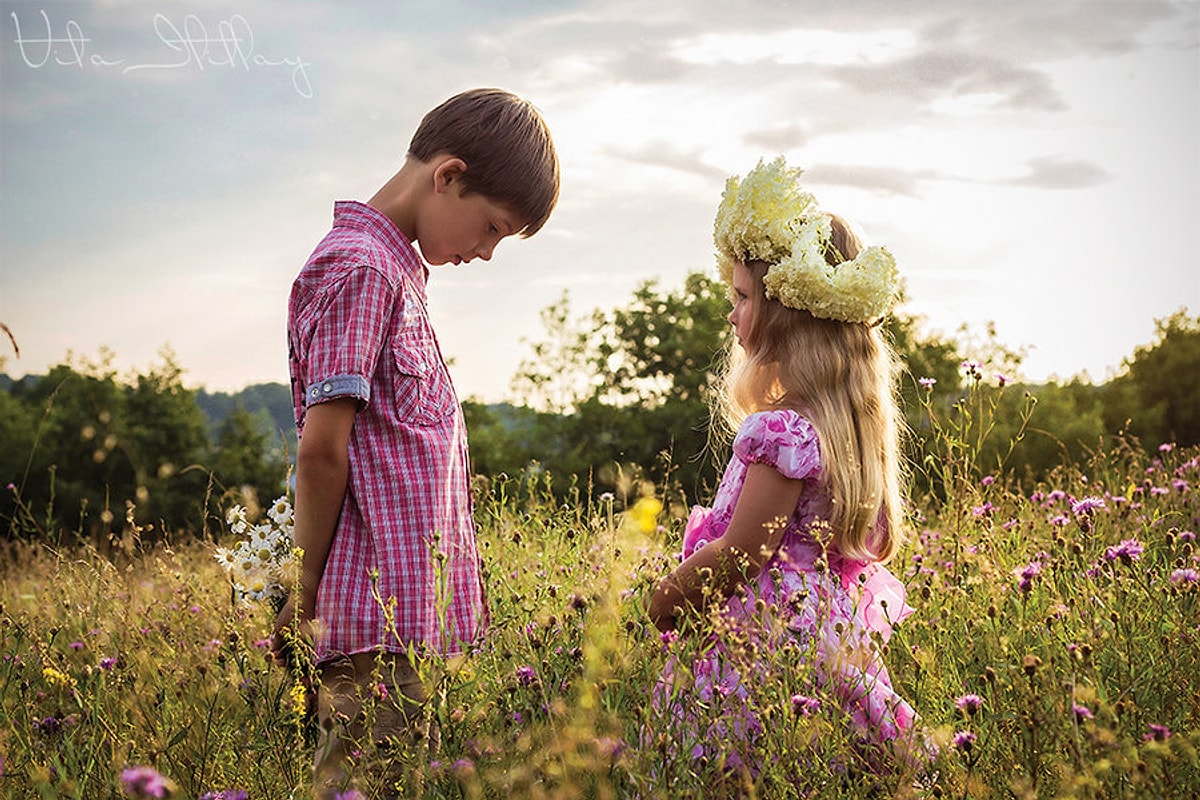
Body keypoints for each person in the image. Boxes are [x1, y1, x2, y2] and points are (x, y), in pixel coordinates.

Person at [272, 87, 559, 798]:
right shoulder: (364, 270)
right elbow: (321, 448)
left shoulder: (396, 270)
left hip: (403, 619)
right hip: (372, 621)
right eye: (492, 228)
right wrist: (304, 586)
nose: (487, 252)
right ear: (448, 176)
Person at [647, 156, 923, 785]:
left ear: (787, 316)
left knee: (737, 769)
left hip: (761, 643)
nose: (732, 314)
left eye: (742, 298)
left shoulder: (782, 431)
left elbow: (744, 552)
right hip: (821, 637)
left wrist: (666, 598)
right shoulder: (848, 434)